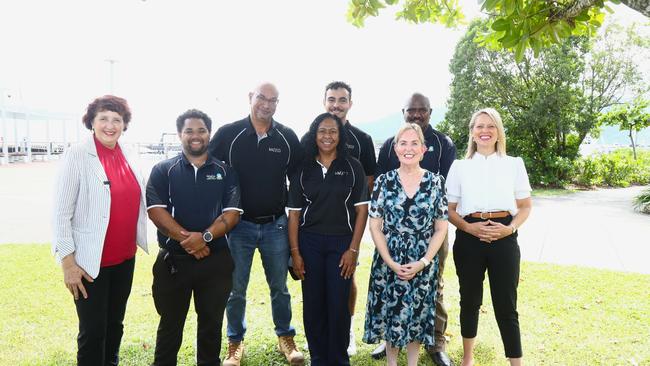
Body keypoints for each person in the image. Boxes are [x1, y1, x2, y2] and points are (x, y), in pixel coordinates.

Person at [208, 82, 305, 366]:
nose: (267, 104)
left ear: (278, 104)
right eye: (262, 98)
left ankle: (286, 338)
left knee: (280, 288)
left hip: (276, 225)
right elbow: (209, 169)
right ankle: (235, 344)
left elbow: (300, 179)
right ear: (251, 98)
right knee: (235, 289)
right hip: (238, 227)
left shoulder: (286, 137)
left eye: (273, 100)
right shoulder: (229, 134)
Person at [52, 95, 148, 366]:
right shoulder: (77, 155)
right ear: (91, 122)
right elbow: (60, 214)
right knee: (93, 332)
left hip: (125, 259)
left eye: (117, 120)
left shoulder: (128, 153)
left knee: (115, 325)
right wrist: (68, 264)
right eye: (103, 118)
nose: (110, 125)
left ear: (124, 124)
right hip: (88, 264)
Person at [146, 109, 241, 366]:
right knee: (170, 325)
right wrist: (190, 241)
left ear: (209, 134)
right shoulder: (163, 170)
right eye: (189, 131)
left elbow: (232, 214)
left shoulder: (225, 171)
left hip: (216, 260)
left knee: (211, 326)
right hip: (174, 261)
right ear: (180, 134)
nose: (195, 136)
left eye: (201, 130)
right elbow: (156, 211)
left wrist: (206, 237)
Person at [372, 93, 456, 366]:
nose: (409, 148)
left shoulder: (438, 167)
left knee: (423, 307)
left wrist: (423, 261)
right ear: (395, 148)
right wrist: (389, 260)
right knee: (392, 309)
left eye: (415, 144)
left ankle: (426, 351)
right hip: (390, 252)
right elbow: (375, 223)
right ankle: (390, 357)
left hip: (425, 248)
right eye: (403, 144)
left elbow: (442, 224)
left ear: (423, 149)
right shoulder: (384, 176)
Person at [445, 108, 532, 366]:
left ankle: (515, 362)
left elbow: (525, 206)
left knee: (506, 304)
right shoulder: (460, 167)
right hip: (469, 237)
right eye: (479, 126)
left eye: (490, 126)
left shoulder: (513, 164)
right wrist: (469, 228)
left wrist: (510, 228)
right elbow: (449, 210)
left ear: (498, 132)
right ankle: (468, 359)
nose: (485, 131)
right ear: (472, 132)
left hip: (504, 236)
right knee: (469, 299)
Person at [288, 113, 369, 365]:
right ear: (314, 134)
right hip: (309, 243)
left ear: (340, 135)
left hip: (341, 244)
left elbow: (362, 210)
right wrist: (295, 252)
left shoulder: (353, 165)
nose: (327, 136)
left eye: (333, 131)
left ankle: (339, 358)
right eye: (322, 131)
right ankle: (319, 358)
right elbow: (293, 215)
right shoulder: (303, 168)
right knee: (313, 305)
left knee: (338, 304)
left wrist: (353, 250)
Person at [305, 81, 376, 356]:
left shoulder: (362, 139)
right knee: (318, 286)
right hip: (314, 231)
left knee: (347, 279)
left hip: (347, 229)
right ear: (324, 102)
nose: (336, 104)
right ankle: (320, 340)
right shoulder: (312, 137)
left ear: (350, 103)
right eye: (331, 100)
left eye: (342, 100)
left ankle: (344, 333)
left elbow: (369, 183)